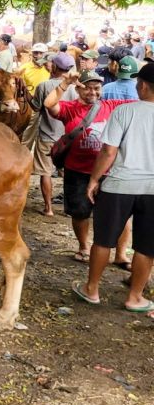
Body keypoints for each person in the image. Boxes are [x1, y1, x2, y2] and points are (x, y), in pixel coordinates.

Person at [77, 62, 154, 311]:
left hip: (119, 185)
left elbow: (109, 151)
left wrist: (94, 180)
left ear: (141, 85)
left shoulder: (124, 112)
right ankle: (134, 297)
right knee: (146, 246)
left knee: (103, 241)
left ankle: (92, 290)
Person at [45, 69, 131, 262]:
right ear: (78, 89)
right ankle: (84, 247)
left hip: (109, 171)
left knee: (120, 214)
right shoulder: (69, 108)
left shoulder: (112, 106)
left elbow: (143, 104)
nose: (92, 92)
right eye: (88, 88)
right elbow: (49, 104)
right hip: (77, 170)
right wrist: (65, 83)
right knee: (80, 212)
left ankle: (121, 254)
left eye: (97, 88)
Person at [31, 53, 76, 216]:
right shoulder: (75, 88)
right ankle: (69, 208)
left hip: (46, 135)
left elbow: (36, 107)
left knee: (45, 172)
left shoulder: (43, 86)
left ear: (55, 67)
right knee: (68, 173)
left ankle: (48, 208)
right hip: (68, 137)